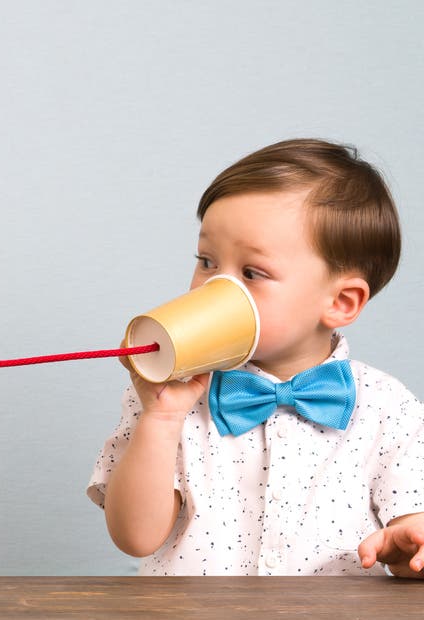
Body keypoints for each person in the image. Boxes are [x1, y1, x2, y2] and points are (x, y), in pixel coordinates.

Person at [88, 138, 424, 577]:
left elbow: (412, 535)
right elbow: (134, 538)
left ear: (341, 302)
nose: (215, 288)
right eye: (207, 261)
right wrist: (160, 420)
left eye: (251, 273)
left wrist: (406, 549)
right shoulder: (167, 395)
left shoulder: (388, 408)